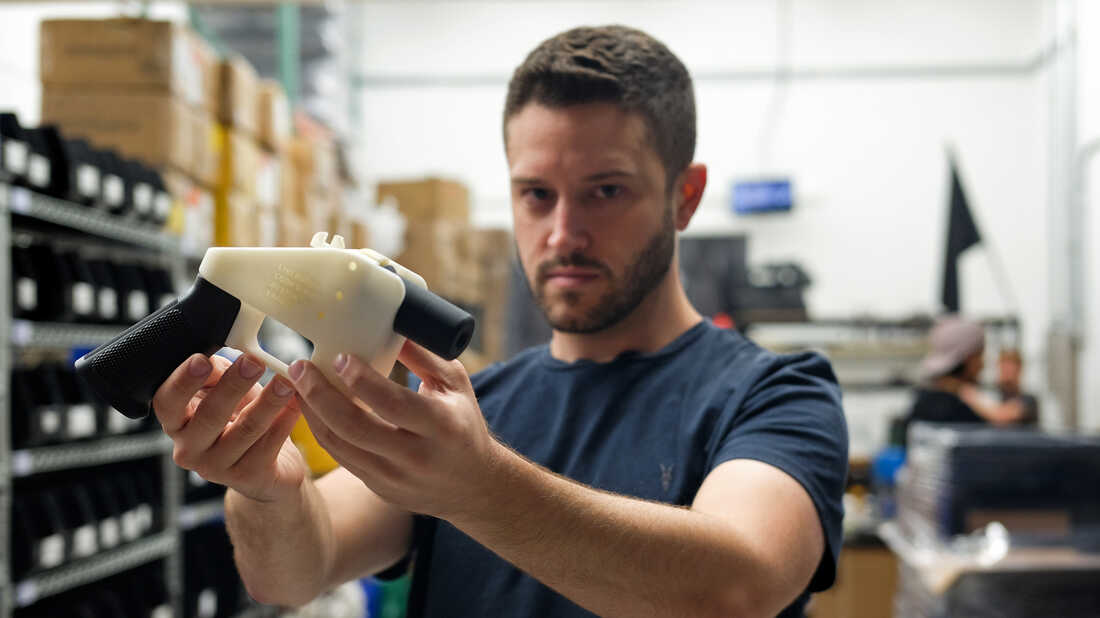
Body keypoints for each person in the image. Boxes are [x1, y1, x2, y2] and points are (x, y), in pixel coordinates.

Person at [152, 25, 848, 617]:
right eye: (536, 194)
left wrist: (478, 488)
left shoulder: (776, 396)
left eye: (606, 190)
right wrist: (266, 491)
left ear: (684, 197)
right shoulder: (477, 408)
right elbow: (293, 573)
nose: (563, 232)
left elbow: (736, 591)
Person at [904, 315, 1024, 443]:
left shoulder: (922, 401)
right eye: (980, 355)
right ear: (968, 358)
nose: (982, 365)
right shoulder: (962, 411)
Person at [996, 347, 1040, 426]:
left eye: (1010, 366)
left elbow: (1004, 415)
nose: (1006, 371)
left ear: (1019, 369)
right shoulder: (993, 397)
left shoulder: (1029, 400)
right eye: (1003, 366)